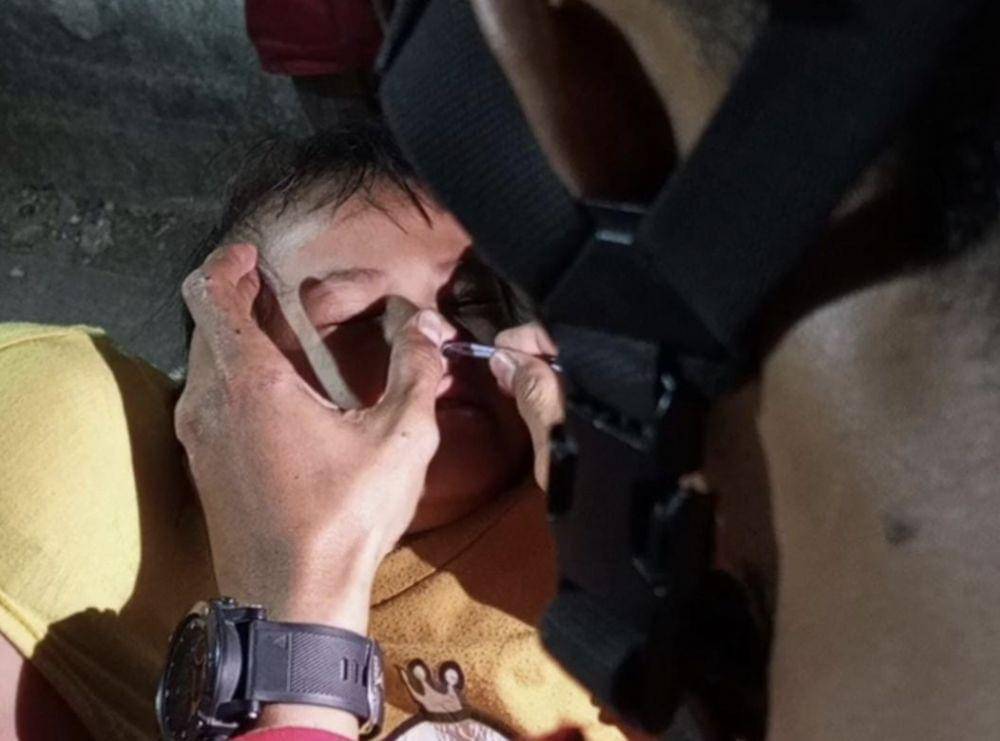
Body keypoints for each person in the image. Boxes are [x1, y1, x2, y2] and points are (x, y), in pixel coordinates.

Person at [0, 119, 616, 740]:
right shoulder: (104, 499)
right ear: (222, 394)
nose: (437, 338)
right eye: (357, 320)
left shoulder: (588, 522)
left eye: (472, 306)